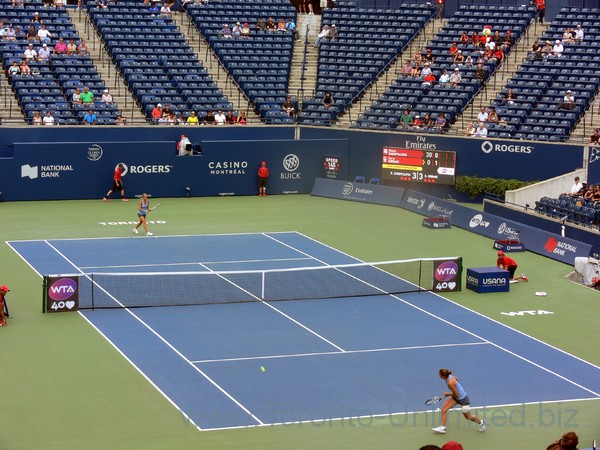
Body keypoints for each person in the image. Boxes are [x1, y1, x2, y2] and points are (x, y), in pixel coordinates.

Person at [432, 368, 486, 434]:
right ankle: (443, 428)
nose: (438, 375)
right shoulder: (449, 376)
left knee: (467, 417)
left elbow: (456, 394)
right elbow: (457, 379)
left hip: (463, 399)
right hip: (456, 398)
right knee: (444, 409)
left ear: (443, 376)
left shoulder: (450, 383)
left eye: (439, 374)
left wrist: (447, 394)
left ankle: (481, 422)